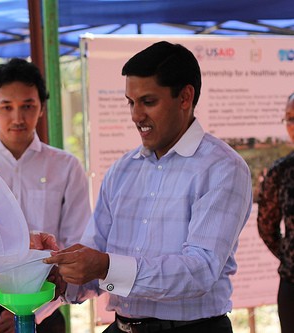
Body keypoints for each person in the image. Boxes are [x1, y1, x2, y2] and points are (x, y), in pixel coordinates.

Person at [44, 41, 253, 333]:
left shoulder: (222, 169)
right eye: (131, 102)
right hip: (123, 326)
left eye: (148, 101)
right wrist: (57, 272)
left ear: (185, 97)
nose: (135, 115)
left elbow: (199, 271)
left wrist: (104, 266)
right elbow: (97, 255)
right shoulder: (122, 170)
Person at [0, 58, 91, 333]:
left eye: (28, 106)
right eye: (7, 107)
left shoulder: (66, 167)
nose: (18, 118)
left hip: (47, 310)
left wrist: (36, 313)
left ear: (41, 107)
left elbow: (75, 243)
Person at [257, 93, 294, 333]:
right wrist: (289, 255)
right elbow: (266, 226)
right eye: (289, 118)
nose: (293, 125)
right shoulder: (281, 171)